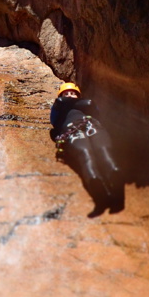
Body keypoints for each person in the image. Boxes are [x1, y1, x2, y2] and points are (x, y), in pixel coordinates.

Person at [49, 82, 125, 218]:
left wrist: (84, 104)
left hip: (93, 126)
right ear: (61, 95)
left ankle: (117, 187)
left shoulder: (86, 104)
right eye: (66, 94)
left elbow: (97, 112)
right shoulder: (59, 107)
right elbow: (53, 120)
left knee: (104, 151)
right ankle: (99, 195)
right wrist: (60, 104)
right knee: (85, 154)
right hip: (72, 130)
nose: (70, 95)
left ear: (78, 95)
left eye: (73, 93)